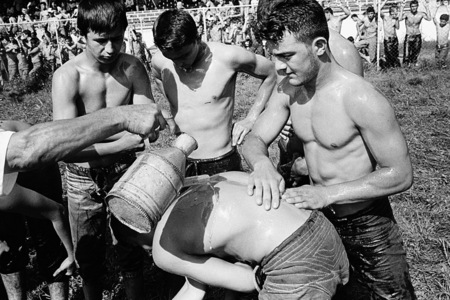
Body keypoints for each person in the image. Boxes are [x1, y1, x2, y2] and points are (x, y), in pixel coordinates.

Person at [242, 0, 416, 299]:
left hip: (367, 225)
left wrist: (326, 193)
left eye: (287, 56)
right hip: (317, 221)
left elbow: (400, 175)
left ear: (320, 45)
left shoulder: (359, 98)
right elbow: (254, 139)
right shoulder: (290, 90)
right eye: (274, 56)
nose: (279, 67)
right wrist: (262, 164)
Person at [51, 0, 163, 299]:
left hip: (125, 171)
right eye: (100, 41)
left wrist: (138, 136)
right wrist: (122, 142)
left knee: (131, 252)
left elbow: (148, 121)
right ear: (82, 36)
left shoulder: (131, 67)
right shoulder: (68, 76)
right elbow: (63, 148)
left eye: (117, 38)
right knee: (88, 257)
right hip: (82, 179)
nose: (110, 48)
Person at [113, 171, 349, 300]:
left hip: (293, 262)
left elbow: (247, 281)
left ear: (140, 239)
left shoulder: (163, 249)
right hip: (321, 228)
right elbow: (195, 288)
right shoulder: (211, 180)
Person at [151, 9, 276, 177]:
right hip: (182, 159)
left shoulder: (228, 57)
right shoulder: (160, 61)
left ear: (197, 37)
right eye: (173, 59)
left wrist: (251, 118)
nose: (180, 63)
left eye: (185, 55)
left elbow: (272, 73)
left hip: (221, 161)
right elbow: (157, 76)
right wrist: (174, 105)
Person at [399, 0, 431, 66]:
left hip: (417, 36)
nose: (414, 8)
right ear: (410, 7)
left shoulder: (421, 14)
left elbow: (429, 18)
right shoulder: (407, 14)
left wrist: (427, 7)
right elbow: (399, 19)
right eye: (412, 6)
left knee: (415, 54)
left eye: (415, 6)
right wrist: (402, 8)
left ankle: (413, 68)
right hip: (409, 35)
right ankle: (406, 68)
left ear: (417, 7)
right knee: (407, 54)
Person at [381, 3, 401, 68]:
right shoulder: (385, 18)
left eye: (397, 13)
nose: (396, 14)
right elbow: (378, 11)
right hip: (388, 39)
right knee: (389, 54)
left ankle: (395, 66)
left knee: (395, 54)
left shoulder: (395, 20)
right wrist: (383, 3)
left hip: (394, 38)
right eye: (395, 13)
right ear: (391, 12)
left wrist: (397, 19)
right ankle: (389, 66)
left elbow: (398, 27)